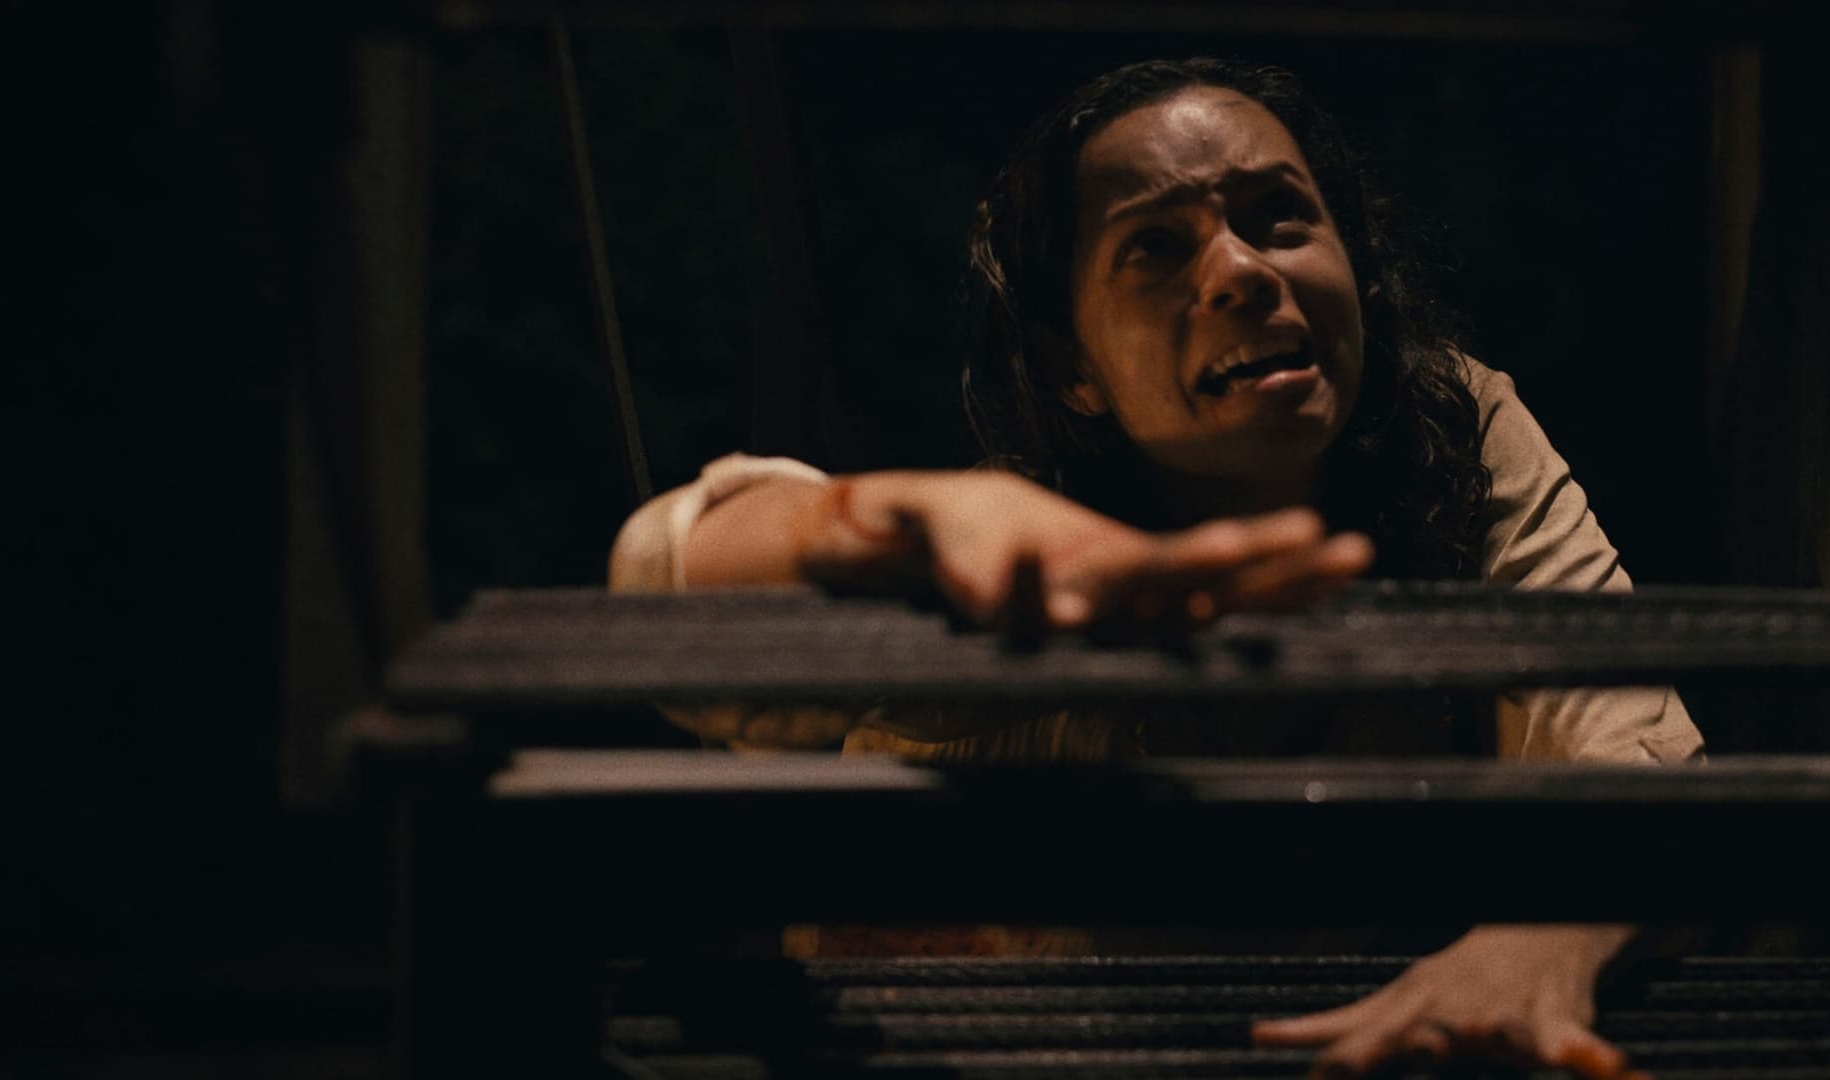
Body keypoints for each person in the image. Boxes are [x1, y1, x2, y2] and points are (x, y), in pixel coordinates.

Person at [610, 56, 1701, 1079]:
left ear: (1359, 271)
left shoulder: (1453, 432)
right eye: (1156, 248)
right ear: (1071, 367)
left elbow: (1634, 751)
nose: (1241, 271)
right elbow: (668, 586)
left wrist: (1539, 939)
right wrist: (894, 515)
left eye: (1279, 216)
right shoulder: (1011, 557)